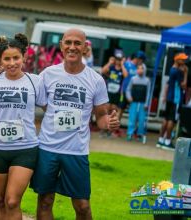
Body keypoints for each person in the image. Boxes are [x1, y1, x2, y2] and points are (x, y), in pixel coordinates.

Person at [30, 29, 120, 220]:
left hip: (77, 151)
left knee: (82, 206)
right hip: (48, 148)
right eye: (68, 42)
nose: (72, 47)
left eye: (77, 43)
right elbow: (46, 106)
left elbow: (101, 116)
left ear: (85, 47)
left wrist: (109, 123)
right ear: (61, 45)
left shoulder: (96, 80)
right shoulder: (48, 75)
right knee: (45, 200)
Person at [0, 33, 45, 220]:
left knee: (12, 201)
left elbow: (49, 108)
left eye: (16, 58)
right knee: (0, 200)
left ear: (24, 57)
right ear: (0, 60)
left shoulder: (35, 81)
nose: (12, 63)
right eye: (7, 59)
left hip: (25, 148)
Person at [157, 52, 188, 150]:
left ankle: (161, 140)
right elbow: (183, 85)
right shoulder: (178, 72)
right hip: (176, 98)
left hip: (170, 98)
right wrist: (186, 73)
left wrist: (165, 96)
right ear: (177, 60)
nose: (184, 61)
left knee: (166, 119)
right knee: (172, 120)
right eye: (182, 60)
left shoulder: (172, 69)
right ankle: (168, 141)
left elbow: (168, 84)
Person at [125, 64, 151, 143]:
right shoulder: (133, 79)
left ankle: (140, 134)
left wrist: (147, 103)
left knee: (141, 120)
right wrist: (129, 97)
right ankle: (130, 134)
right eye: (138, 68)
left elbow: (148, 93)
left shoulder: (147, 80)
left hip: (142, 103)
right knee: (132, 119)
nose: (140, 70)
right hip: (134, 102)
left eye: (142, 69)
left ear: (144, 70)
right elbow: (128, 89)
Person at [101, 50, 124, 137]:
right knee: (106, 109)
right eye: (117, 59)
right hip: (109, 92)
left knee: (113, 110)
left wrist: (122, 65)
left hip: (117, 93)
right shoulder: (111, 67)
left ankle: (110, 131)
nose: (118, 61)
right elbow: (103, 71)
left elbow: (126, 75)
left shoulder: (122, 69)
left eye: (119, 59)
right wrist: (109, 62)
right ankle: (104, 129)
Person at [119, 51, 147, 120]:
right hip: (125, 91)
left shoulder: (139, 68)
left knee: (134, 111)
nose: (142, 62)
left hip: (134, 93)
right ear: (138, 59)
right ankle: (112, 129)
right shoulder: (127, 64)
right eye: (142, 60)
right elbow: (124, 75)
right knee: (120, 110)